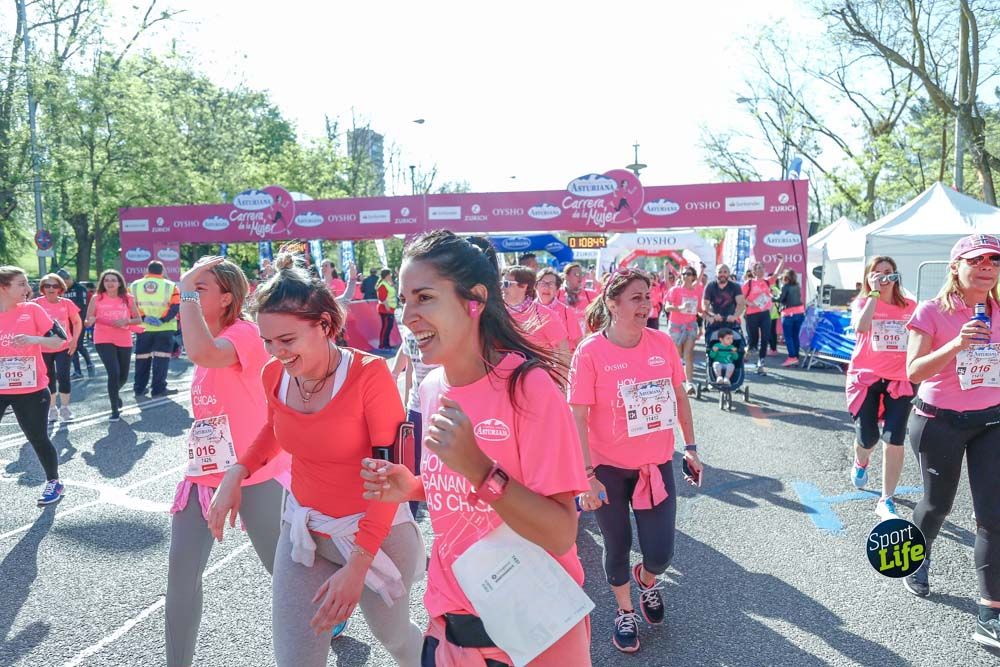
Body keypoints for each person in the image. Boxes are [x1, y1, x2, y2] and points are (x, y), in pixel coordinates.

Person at [361, 230, 592, 666]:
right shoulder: (431, 389)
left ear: (476, 300)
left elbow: (562, 531)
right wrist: (411, 487)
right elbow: (463, 500)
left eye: (424, 297)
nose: (408, 316)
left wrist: (481, 471)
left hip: (532, 634)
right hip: (450, 629)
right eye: (405, 299)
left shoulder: (530, 390)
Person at [207, 253, 423, 666]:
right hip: (303, 530)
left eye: (287, 340)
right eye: (268, 342)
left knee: (394, 639)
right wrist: (237, 472)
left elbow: (389, 481)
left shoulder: (369, 376)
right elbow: (275, 429)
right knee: (296, 658)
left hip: (375, 536)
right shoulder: (275, 374)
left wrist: (357, 568)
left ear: (325, 325)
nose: (277, 354)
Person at [166, 256, 290, 666]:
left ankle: (327, 621)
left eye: (200, 288)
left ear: (227, 297)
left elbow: (203, 352)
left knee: (286, 576)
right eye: (190, 288)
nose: (190, 293)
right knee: (181, 580)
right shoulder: (207, 335)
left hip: (255, 475)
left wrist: (182, 286)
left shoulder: (246, 335)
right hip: (203, 478)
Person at [569, 268, 701, 654]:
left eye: (648, 296)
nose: (646, 305)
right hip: (607, 467)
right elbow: (576, 415)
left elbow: (679, 397)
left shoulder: (661, 344)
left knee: (661, 553)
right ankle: (625, 611)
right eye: (636, 298)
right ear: (612, 303)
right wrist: (586, 475)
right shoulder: (590, 351)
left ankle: (648, 579)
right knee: (618, 545)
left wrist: (690, 447)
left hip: (655, 465)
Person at [903, 234, 1000, 649]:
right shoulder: (931, 311)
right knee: (937, 504)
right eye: (976, 259)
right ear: (955, 267)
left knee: (993, 516)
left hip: (992, 422)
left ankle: (989, 614)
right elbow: (913, 371)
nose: (987, 266)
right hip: (938, 421)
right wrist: (958, 343)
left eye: (994, 260)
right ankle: (914, 556)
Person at [845, 256, 917, 521]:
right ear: (868, 277)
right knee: (868, 438)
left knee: (894, 439)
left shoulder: (910, 306)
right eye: (876, 273)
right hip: (867, 378)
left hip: (901, 379)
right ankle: (861, 461)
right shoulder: (863, 303)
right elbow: (861, 327)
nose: (883, 276)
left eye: (888, 272)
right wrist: (874, 293)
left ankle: (886, 499)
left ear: (896, 276)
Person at [0, 266, 67, 505]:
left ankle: (54, 483)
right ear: (3, 288)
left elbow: (60, 340)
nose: (28, 289)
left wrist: (33, 339)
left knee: (37, 437)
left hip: (31, 388)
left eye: (27, 283)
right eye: (21, 284)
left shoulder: (33, 309)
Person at [85, 269, 142, 422]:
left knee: (123, 375)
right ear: (102, 283)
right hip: (103, 337)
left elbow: (138, 319)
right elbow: (88, 318)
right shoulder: (97, 298)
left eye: (113, 280)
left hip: (123, 337)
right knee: (114, 373)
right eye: (107, 280)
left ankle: (114, 394)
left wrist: (126, 321)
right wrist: (88, 321)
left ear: (119, 283)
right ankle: (114, 410)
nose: (110, 283)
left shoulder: (127, 298)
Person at [33, 273, 82, 422]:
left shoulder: (66, 303)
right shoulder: (36, 304)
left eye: (54, 285)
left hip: (63, 346)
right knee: (49, 378)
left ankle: (65, 408)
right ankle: (52, 409)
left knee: (63, 376)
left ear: (60, 288)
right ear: (42, 288)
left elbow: (77, 322)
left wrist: (74, 340)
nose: (51, 288)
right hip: (44, 347)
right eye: (47, 285)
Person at [129, 260, 181, 398]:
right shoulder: (170, 286)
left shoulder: (134, 286)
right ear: (162, 271)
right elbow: (176, 306)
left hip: (143, 328)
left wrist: (144, 317)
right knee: (161, 360)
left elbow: (130, 306)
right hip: (164, 328)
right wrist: (163, 319)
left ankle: (139, 388)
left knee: (142, 358)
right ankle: (158, 389)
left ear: (148, 270)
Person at [502, 265, 570, 368]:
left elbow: (564, 353)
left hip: (535, 379)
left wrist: (554, 380)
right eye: (502, 283)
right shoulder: (497, 314)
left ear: (523, 286)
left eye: (507, 284)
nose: (502, 287)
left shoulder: (545, 315)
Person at [665, 266, 704, 396]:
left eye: (688, 274)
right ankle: (676, 383)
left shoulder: (696, 291)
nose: (685, 276)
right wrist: (680, 308)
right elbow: (667, 307)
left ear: (693, 276)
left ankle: (689, 383)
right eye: (683, 274)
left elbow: (699, 309)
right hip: (676, 326)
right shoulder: (675, 290)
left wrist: (706, 314)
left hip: (690, 325)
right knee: (677, 356)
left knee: (688, 354)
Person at [742, 259, 783, 375]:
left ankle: (761, 363)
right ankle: (747, 351)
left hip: (765, 313)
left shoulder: (767, 282)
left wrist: (782, 261)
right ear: (754, 271)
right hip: (751, 314)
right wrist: (750, 303)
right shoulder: (749, 283)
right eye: (758, 268)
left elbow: (776, 274)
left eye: (762, 268)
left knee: (765, 337)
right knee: (753, 341)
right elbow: (740, 298)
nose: (761, 270)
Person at [60, 269, 96, 378]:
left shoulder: (80, 289)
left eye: (64, 282)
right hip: (66, 322)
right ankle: (77, 370)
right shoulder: (61, 290)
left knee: (78, 344)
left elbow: (82, 307)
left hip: (78, 321)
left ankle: (89, 363)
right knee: (71, 345)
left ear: (69, 279)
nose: (63, 285)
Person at [536, 267, 583, 350]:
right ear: (535, 287)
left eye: (550, 284)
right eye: (543, 283)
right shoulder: (528, 311)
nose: (546, 287)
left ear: (557, 290)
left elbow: (578, 341)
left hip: (562, 359)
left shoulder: (566, 311)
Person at [702, 264, 746, 343]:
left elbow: (741, 304)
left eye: (725, 272)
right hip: (714, 322)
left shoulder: (735, 286)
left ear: (729, 274)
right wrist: (712, 315)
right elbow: (705, 305)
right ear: (716, 273)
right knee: (712, 349)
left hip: (731, 322)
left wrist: (735, 316)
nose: (722, 274)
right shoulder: (710, 286)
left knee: (738, 348)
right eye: (720, 272)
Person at [778, 269, 806, 366]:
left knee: (788, 337)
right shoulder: (797, 286)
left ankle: (792, 357)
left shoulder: (785, 287)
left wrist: (771, 296)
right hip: (800, 313)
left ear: (786, 278)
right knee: (795, 336)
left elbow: (780, 299)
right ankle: (796, 357)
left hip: (788, 314)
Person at [376, 268, 398, 350]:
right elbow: (382, 297)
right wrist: (387, 307)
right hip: (385, 310)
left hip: (389, 309)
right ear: (387, 275)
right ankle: (382, 345)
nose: (391, 276)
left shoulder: (387, 283)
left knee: (389, 327)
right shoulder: (382, 284)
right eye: (390, 274)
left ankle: (387, 344)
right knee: (385, 327)